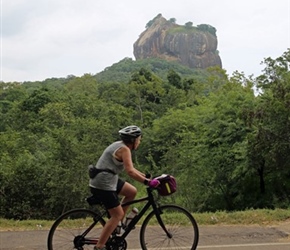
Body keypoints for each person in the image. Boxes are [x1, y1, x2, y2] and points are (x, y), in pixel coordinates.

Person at [89, 125, 160, 250]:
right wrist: (147, 183)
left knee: (131, 191)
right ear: (133, 140)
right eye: (139, 139)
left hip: (107, 179)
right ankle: (99, 246)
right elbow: (130, 172)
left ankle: (118, 225)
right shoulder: (124, 149)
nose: (140, 141)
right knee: (116, 215)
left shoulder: (121, 146)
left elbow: (131, 168)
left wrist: (145, 177)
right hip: (103, 183)